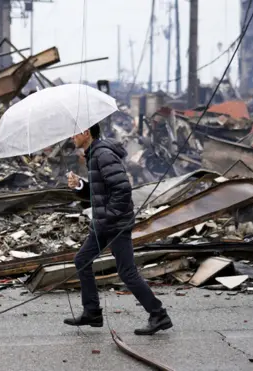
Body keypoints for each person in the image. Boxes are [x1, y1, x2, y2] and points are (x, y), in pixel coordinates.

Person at [64, 123, 173, 336]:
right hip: (104, 224)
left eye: (74, 131)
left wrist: (108, 217)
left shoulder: (103, 155)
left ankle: (159, 314)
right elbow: (99, 193)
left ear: (86, 133)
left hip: (115, 224)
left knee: (127, 272)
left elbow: (123, 191)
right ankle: (92, 312)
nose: (71, 137)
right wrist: (79, 185)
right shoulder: (93, 154)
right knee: (81, 260)